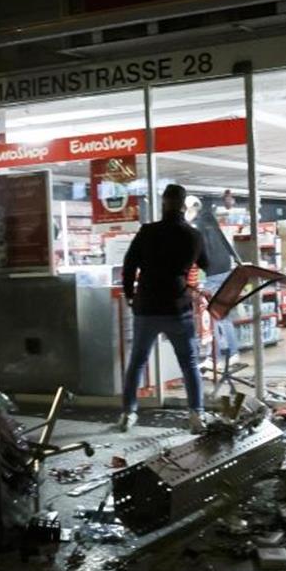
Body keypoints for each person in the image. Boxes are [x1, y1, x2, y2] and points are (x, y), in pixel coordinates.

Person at [119, 184, 209, 434]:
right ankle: (196, 415)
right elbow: (206, 263)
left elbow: (129, 265)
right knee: (189, 364)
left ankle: (128, 414)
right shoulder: (193, 235)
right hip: (177, 307)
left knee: (137, 362)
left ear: (163, 203)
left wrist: (130, 295)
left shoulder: (147, 232)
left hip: (146, 306)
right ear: (183, 206)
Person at [187, 191, 241, 362]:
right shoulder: (210, 220)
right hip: (226, 270)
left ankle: (214, 357)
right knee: (221, 316)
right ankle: (232, 353)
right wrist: (238, 260)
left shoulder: (195, 227)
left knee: (209, 318)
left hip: (211, 274)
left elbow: (196, 253)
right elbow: (225, 241)